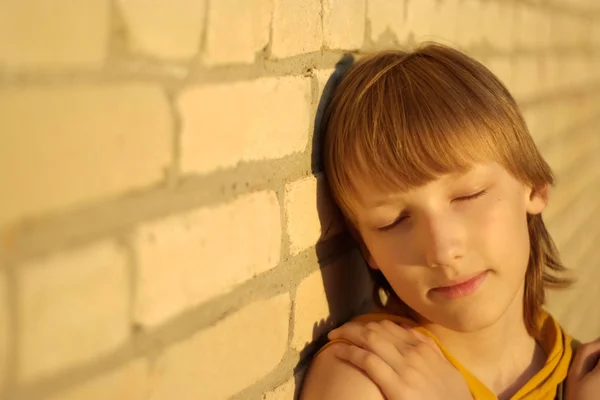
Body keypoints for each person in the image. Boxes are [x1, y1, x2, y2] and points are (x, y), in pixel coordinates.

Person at [300, 44, 600, 400]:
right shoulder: (367, 376)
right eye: (394, 221)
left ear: (533, 186)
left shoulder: (582, 378)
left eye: (467, 196)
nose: (442, 250)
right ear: (367, 249)